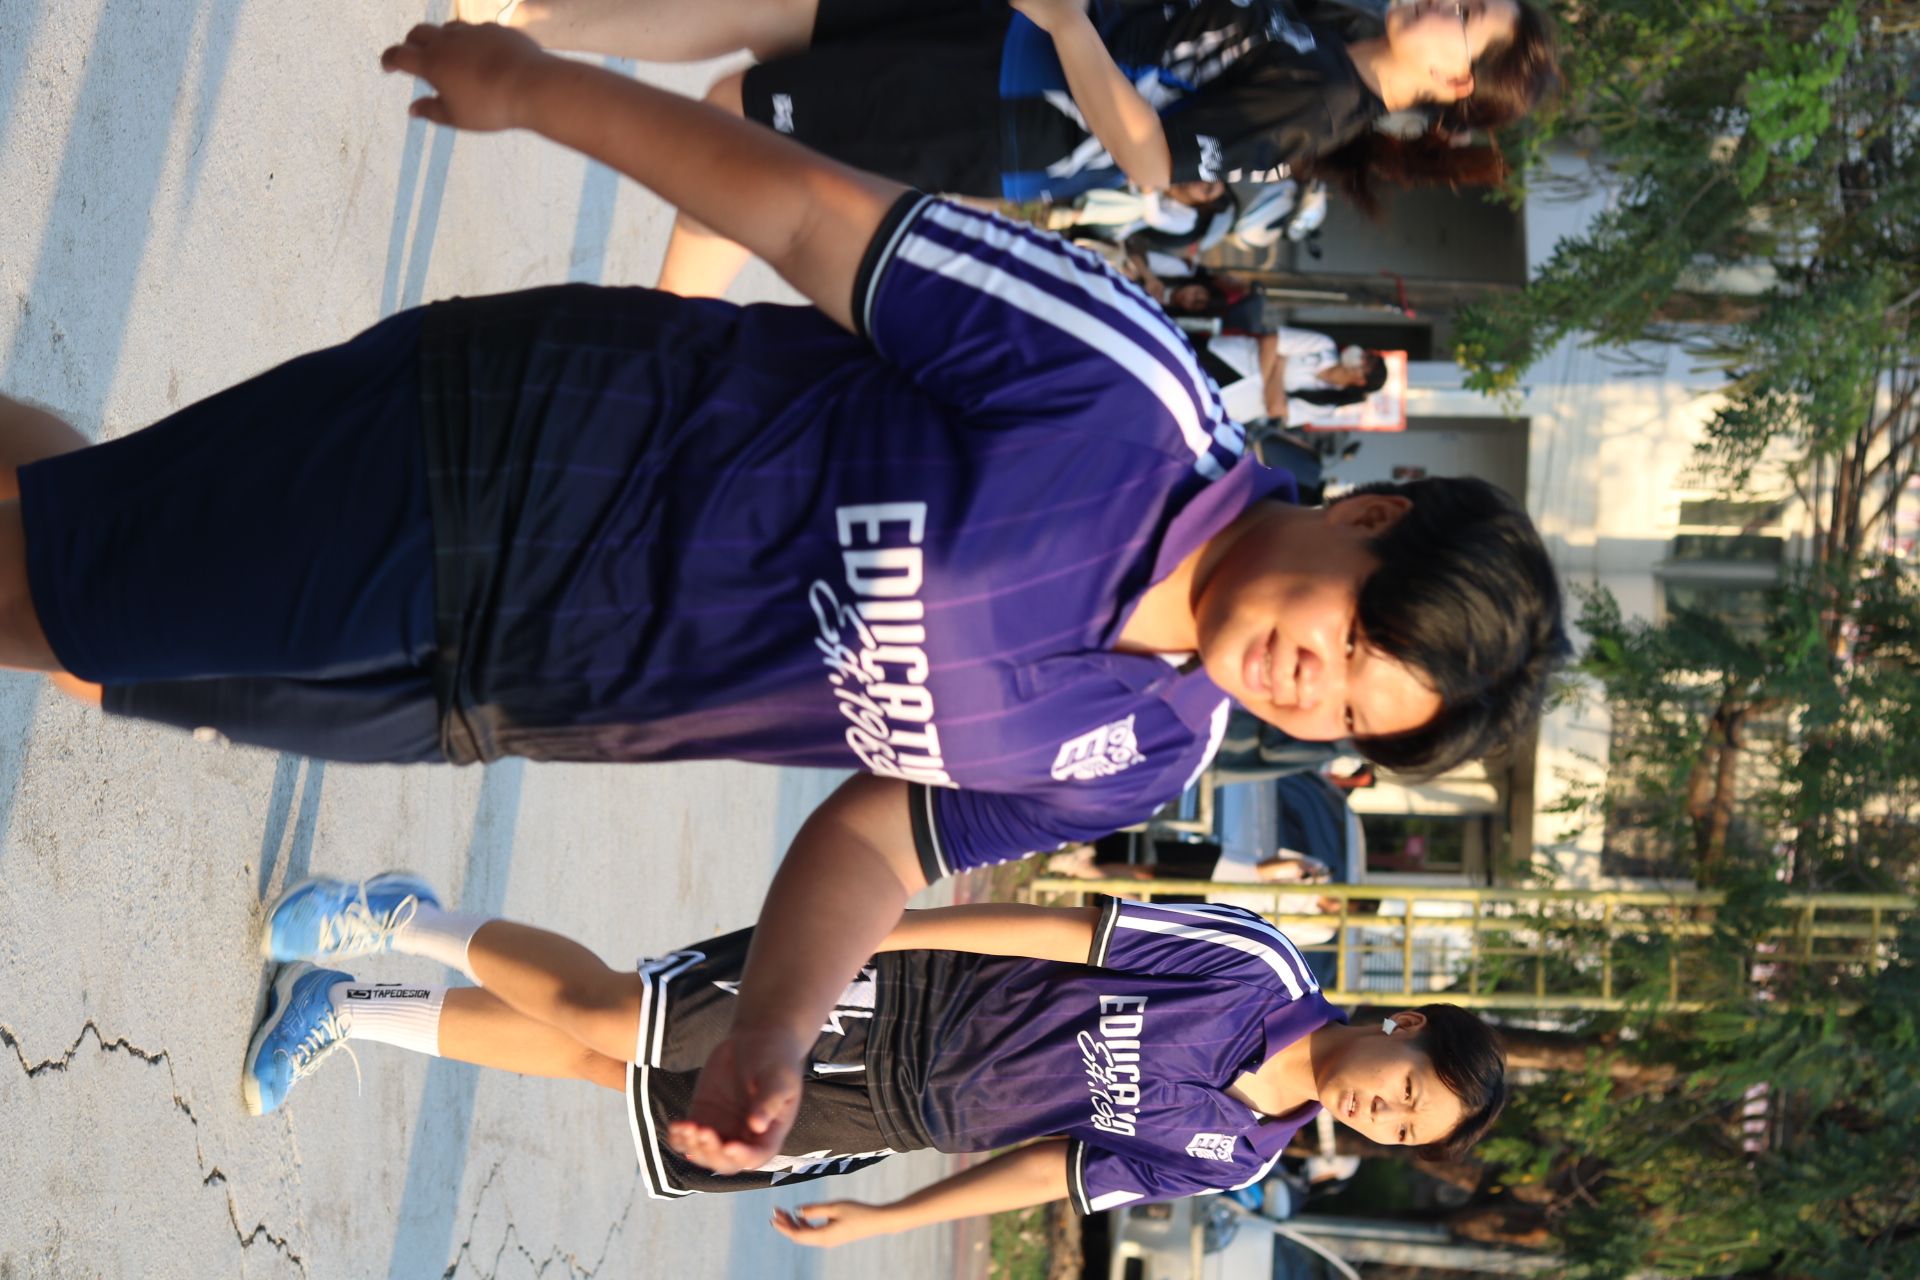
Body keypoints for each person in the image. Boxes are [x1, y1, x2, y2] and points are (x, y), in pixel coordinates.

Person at [2, 22, 1565, 1175]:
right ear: (1367, 514)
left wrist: (771, 1030)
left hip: (520, 695)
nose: (1306, 677)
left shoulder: (1146, 752)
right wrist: (541, 89)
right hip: (503, 465)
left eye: (1347, 707)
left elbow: (881, 839)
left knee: (95, 623)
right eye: (1352, 636)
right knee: (67, 609)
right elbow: (811, 215)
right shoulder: (1130, 396)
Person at [242, 871, 1507, 1244]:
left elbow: (1056, 1171)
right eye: (1406, 1089)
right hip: (903, 992)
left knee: (607, 1069)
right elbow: (1070, 931)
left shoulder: (1235, 1155)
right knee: (617, 1011)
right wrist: (884, 926)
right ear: (1405, 1023)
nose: (1382, 1110)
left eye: (1403, 1128)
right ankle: (396, 914)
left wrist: (892, 1218)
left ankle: (352, 1005)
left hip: (894, 1112)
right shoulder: (1258, 969)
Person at [459, 0, 1559, 296]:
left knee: (739, 117)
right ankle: (524, 18)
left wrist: (1071, 25)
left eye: (1463, 16)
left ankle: (660, 348)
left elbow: (1152, 164)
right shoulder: (1338, 23)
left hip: (1000, 106)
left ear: (1456, 84)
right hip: (999, 32)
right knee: (779, 8)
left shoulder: (1317, 109)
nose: (1440, 0)